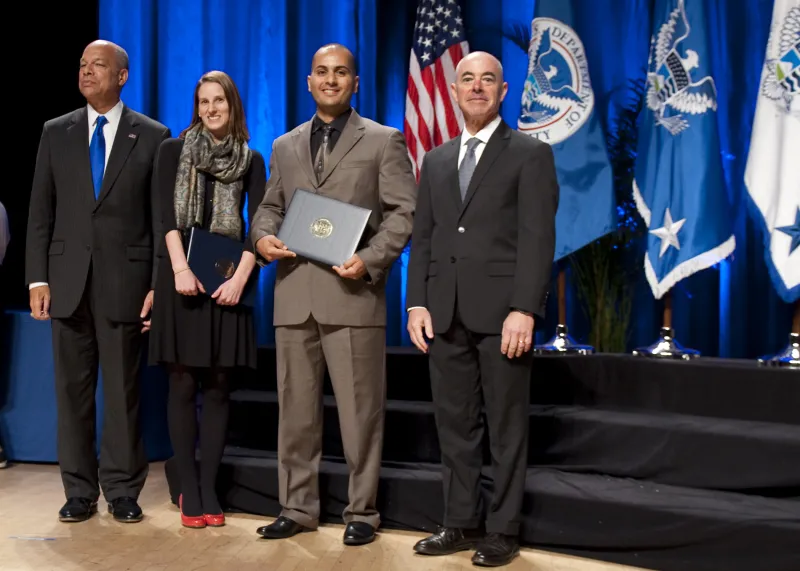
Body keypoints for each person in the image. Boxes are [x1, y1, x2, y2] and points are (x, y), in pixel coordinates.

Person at [250, 43, 416, 546]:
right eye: (321, 71)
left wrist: (370, 260)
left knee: (360, 413)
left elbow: (403, 214)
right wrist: (262, 238)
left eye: (340, 72)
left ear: (355, 83)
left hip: (352, 296)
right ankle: (297, 507)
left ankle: (362, 511)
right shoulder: (284, 145)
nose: (330, 79)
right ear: (308, 81)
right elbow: (268, 207)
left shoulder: (385, 141)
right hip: (294, 294)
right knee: (295, 412)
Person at [405, 51, 558, 567]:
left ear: (503, 90)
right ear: (452, 90)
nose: (476, 87)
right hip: (443, 313)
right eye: (466, 79)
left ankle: (501, 529)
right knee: (455, 425)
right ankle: (461, 521)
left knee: (506, 426)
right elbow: (422, 237)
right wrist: (416, 302)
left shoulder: (529, 154)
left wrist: (525, 309)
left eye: (486, 79)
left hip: (502, 317)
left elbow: (538, 240)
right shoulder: (437, 159)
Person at [25, 40, 171, 523]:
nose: (87, 73)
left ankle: (123, 490)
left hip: (125, 285)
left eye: (99, 66)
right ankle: (79, 491)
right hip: (65, 283)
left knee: (124, 393)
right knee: (72, 393)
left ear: (122, 76)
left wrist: (156, 283)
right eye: (83, 66)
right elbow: (40, 213)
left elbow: (158, 220)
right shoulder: (56, 131)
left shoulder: (152, 135)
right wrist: (36, 279)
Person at [148, 70, 265, 528]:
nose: (211, 109)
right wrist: (178, 269)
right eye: (204, 102)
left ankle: (209, 485)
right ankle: (189, 489)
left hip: (226, 284)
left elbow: (259, 226)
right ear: (196, 107)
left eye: (219, 101)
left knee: (217, 388)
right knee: (181, 384)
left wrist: (239, 278)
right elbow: (164, 218)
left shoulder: (251, 160)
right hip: (181, 278)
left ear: (232, 106)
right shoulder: (172, 152)